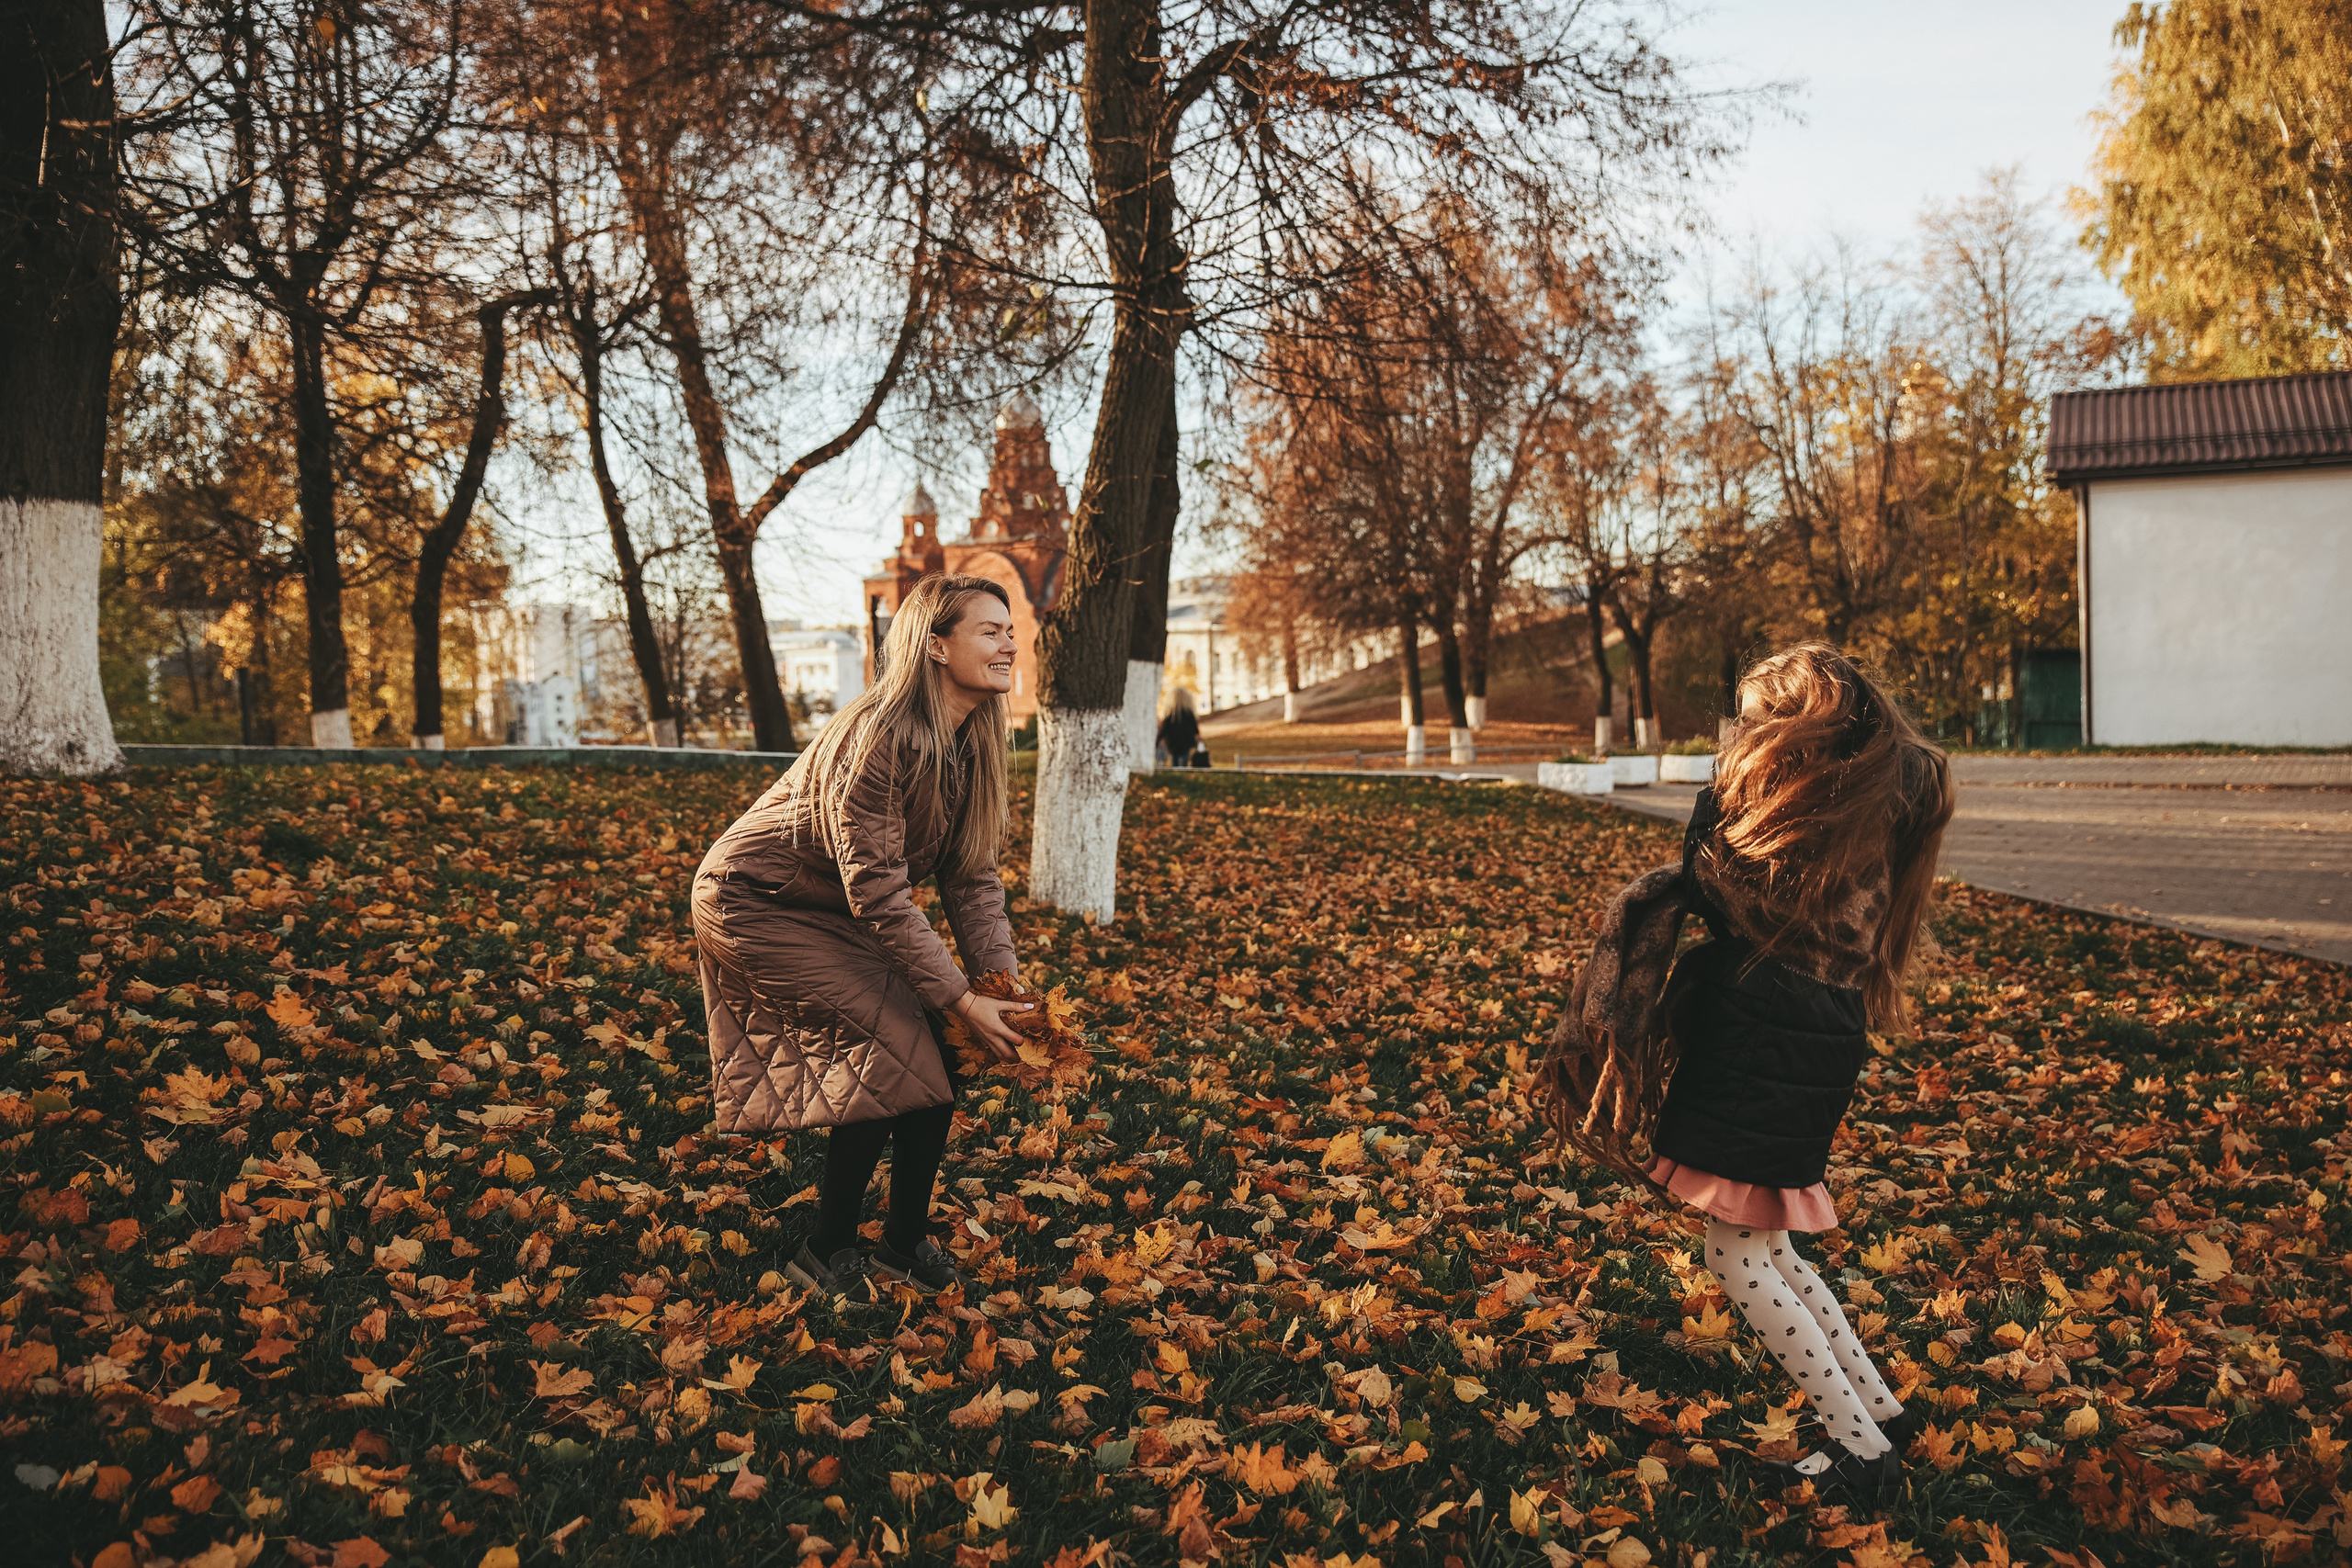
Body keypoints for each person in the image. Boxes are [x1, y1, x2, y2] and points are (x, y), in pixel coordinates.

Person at [1533, 643, 1954, 1500]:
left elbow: (1717, 877)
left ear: (1802, 721)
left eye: (1758, 718)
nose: (1746, 733)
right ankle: (1879, 1415)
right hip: (1812, 1031)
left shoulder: (1813, 808)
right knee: (1766, 1240)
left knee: (1736, 1254)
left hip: (1768, 1032)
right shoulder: (1858, 805)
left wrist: (1707, 812)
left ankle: (1859, 1448)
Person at [691, 573, 1034, 1302]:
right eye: (991, 630)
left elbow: (971, 877)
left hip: (832, 906)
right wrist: (959, 998)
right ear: (936, 645)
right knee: (898, 1040)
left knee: (937, 1046)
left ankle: (904, 1240)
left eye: (1011, 629)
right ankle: (824, 1249)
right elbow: (877, 890)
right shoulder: (880, 736)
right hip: (757, 901)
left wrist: (1000, 987)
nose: (1010, 642)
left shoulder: (973, 743)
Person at [1156, 684, 1200, 770]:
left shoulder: (1171, 716)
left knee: (1175, 761)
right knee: (1184, 759)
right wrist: (1198, 739)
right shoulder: (1188, 714)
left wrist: (1158, 740)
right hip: (1186, 742)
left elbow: (1164, 729)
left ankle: (1176, 772)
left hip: (1173, 742)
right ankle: (1183, 771)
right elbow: (1195, 729)